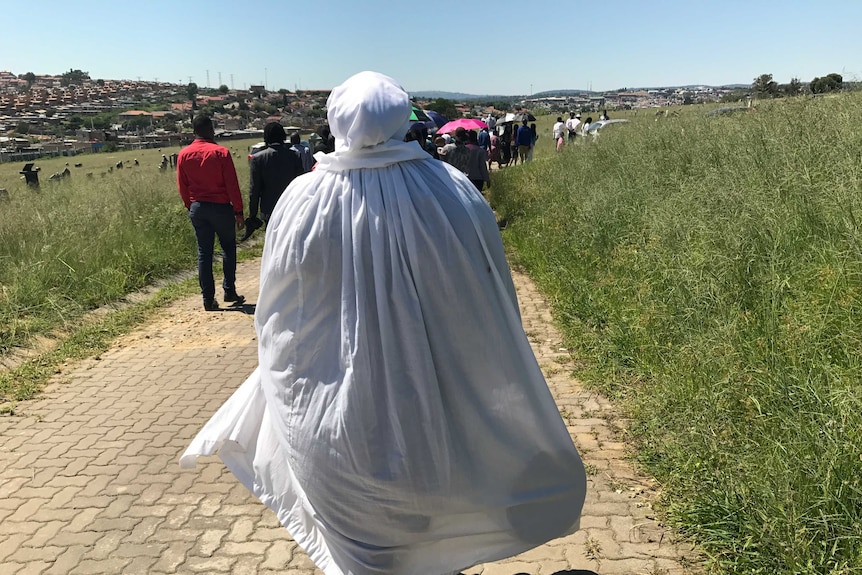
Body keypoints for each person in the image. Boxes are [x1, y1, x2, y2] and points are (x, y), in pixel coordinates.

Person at [180, 70, 586, 575]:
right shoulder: (450, 189)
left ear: (335, 122)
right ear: (403, 118)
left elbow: (277, 317)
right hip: (428, 405)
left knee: (368, 550)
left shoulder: (301, 201)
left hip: (330, 419)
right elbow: (488, 293)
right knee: (424, 522)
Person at [176, 115, 245, 311]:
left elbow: (182, 185)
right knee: (228, 249)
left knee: (204, 253)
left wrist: (190, 205)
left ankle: (208, 298)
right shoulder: (221, 153)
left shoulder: (184, 154)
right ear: (211, 130)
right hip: (221, 207)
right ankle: (229, 290)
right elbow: (232, 185)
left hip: (198, 207)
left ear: (194, 132)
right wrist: (238, 211)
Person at [249, 122, 304, 224]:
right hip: (291, 207)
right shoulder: (295, 156)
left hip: (269, 210)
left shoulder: (257, 159)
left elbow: (254, 190)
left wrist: (252, 215)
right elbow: (301, 184)